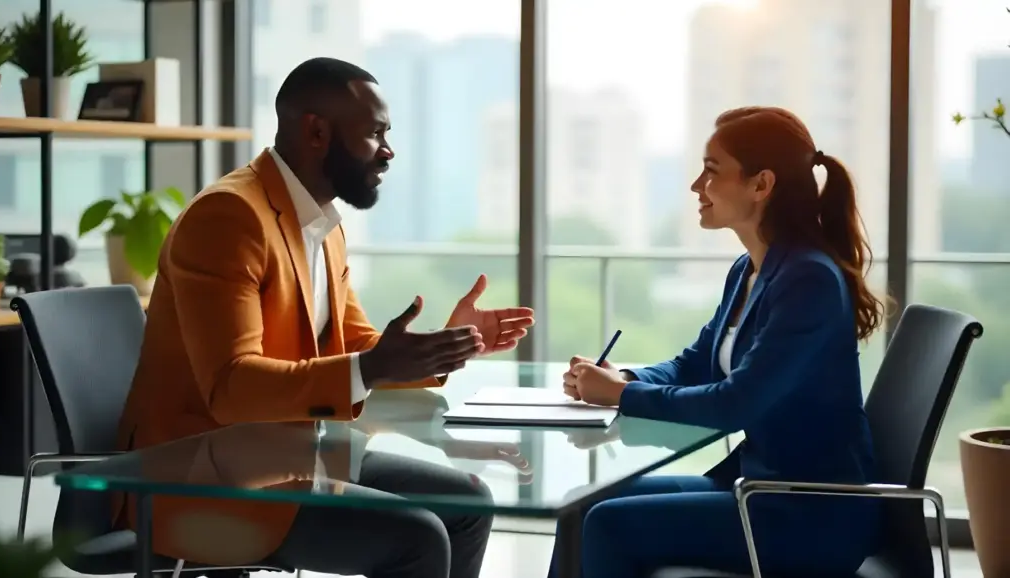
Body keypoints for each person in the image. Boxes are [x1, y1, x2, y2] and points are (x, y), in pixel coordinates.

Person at [115, 57, 535, 578]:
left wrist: (449, 343)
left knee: (468, 503)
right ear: (316, 131)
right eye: (375, 133)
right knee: (418, 537)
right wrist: (373, 368)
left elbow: (354, 343)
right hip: (203, 480)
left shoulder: (321, 223)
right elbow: (231, 386)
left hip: (292, 456)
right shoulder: (228, 218)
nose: (388, 150)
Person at [555, 106, 886, 577]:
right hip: (758, 488)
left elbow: (735, 403)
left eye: (711, 172)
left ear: (761, 185)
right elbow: (696, 365)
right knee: (578, 507)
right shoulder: (749, 269)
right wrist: (623, 377)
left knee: (606, 524)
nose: (696, 187)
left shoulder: (808, 279)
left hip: (808, 515)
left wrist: (623, 396)